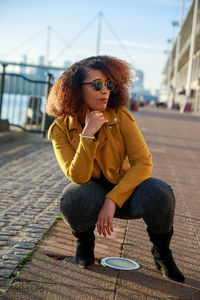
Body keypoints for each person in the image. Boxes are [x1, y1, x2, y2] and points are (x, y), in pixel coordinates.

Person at [46, 55, 185, 282]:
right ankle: (84, 241)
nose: (105, 91)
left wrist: (112, 200)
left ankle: (161, 252)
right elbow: (78, 176)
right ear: (75, 90)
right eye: (97, 85)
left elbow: (143, 162)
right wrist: (87, 134)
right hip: (90, 193)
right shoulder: (60, 128)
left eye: (109, 85)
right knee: (72, 198)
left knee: (160, 192)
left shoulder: (120, 117)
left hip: (126, 190)